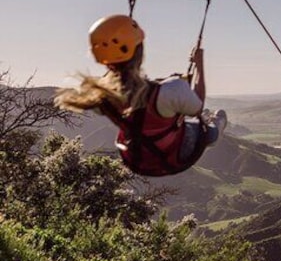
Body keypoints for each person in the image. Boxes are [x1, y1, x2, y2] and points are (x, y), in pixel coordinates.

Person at [55, 14, 227, 176]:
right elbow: (197, 106)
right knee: (209, 133)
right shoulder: (171, 91)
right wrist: (198, 64)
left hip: (136, 159)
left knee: (178, 119)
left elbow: (129, 88)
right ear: (140, 51)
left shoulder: (101, 95)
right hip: (173, 156)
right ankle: (217, 121)